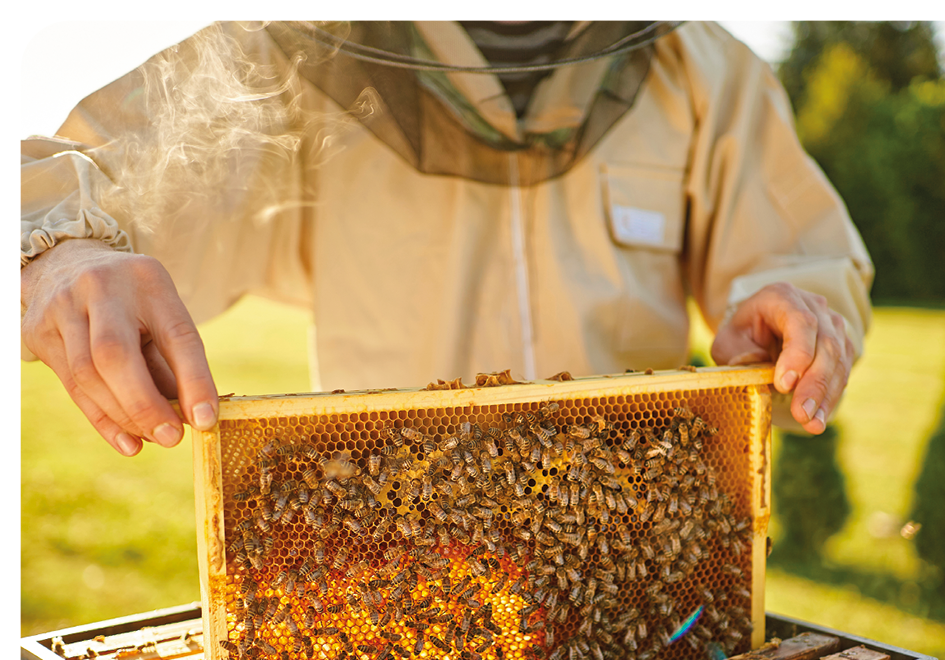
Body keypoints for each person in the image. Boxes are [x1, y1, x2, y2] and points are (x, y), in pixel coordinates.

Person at [20, 21, 872, 458]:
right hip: (394, 575)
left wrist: (787, 322)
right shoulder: (292, 59)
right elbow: (67, 185)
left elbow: (798, 256)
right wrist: (64, 253)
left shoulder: (704, 68)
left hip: (636, 576)